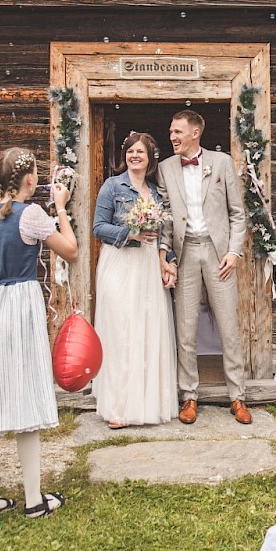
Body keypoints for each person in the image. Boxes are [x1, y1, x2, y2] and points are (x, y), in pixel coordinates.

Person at [0, 148, 78, 520]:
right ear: (29, 180)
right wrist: (61, 207)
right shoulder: (31, 214)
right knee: (24, 393)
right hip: (19, 305)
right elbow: (70, 250)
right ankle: (33, 498)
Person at [157, 110, 251, 426]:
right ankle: (189, 396)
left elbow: (238, 214)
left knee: (228, 325)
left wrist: (234, 252)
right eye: (171, 131)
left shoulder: (221, 163)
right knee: (186, 328)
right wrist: (166, 257)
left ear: (196, 132)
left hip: (217, 253)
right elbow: (166, 217)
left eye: (178, 131)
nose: (172, 136)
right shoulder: (165, 168)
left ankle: (237, 395)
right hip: (184, 254)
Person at [92, 131, 178, 429]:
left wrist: (167, 262)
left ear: (150, 157)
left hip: (147, 266)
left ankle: (146, 402)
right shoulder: (112, 187)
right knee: (120, 331)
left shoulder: (155, 192)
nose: (134, 156)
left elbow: (164, 234)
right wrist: (130, 233)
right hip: (120, 264)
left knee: (147, 329)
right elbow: (98, 228)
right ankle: (118, 406)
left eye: (140, 152)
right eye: (130, 151)